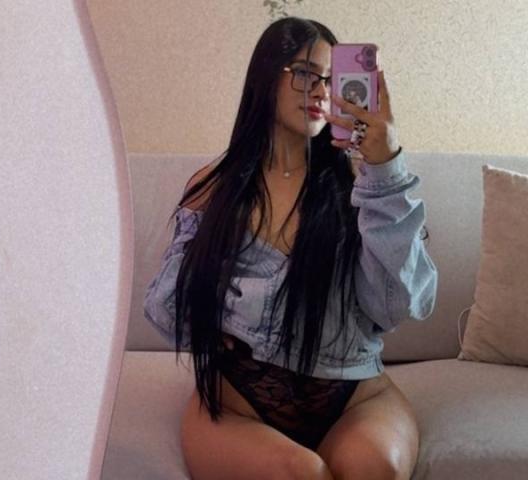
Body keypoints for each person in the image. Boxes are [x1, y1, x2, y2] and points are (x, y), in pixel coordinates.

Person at [144, 16, 437, 480]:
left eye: (332, 79)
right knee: (301, 473)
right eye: (304, 73)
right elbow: (167, 312)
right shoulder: (216, 187)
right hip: (241, 402)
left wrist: (385, 172)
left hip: (353, 395)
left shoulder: (364, 185)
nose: (320, 91)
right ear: (265, 77)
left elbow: (397, 305)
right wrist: (205, 302)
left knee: (373, 467)